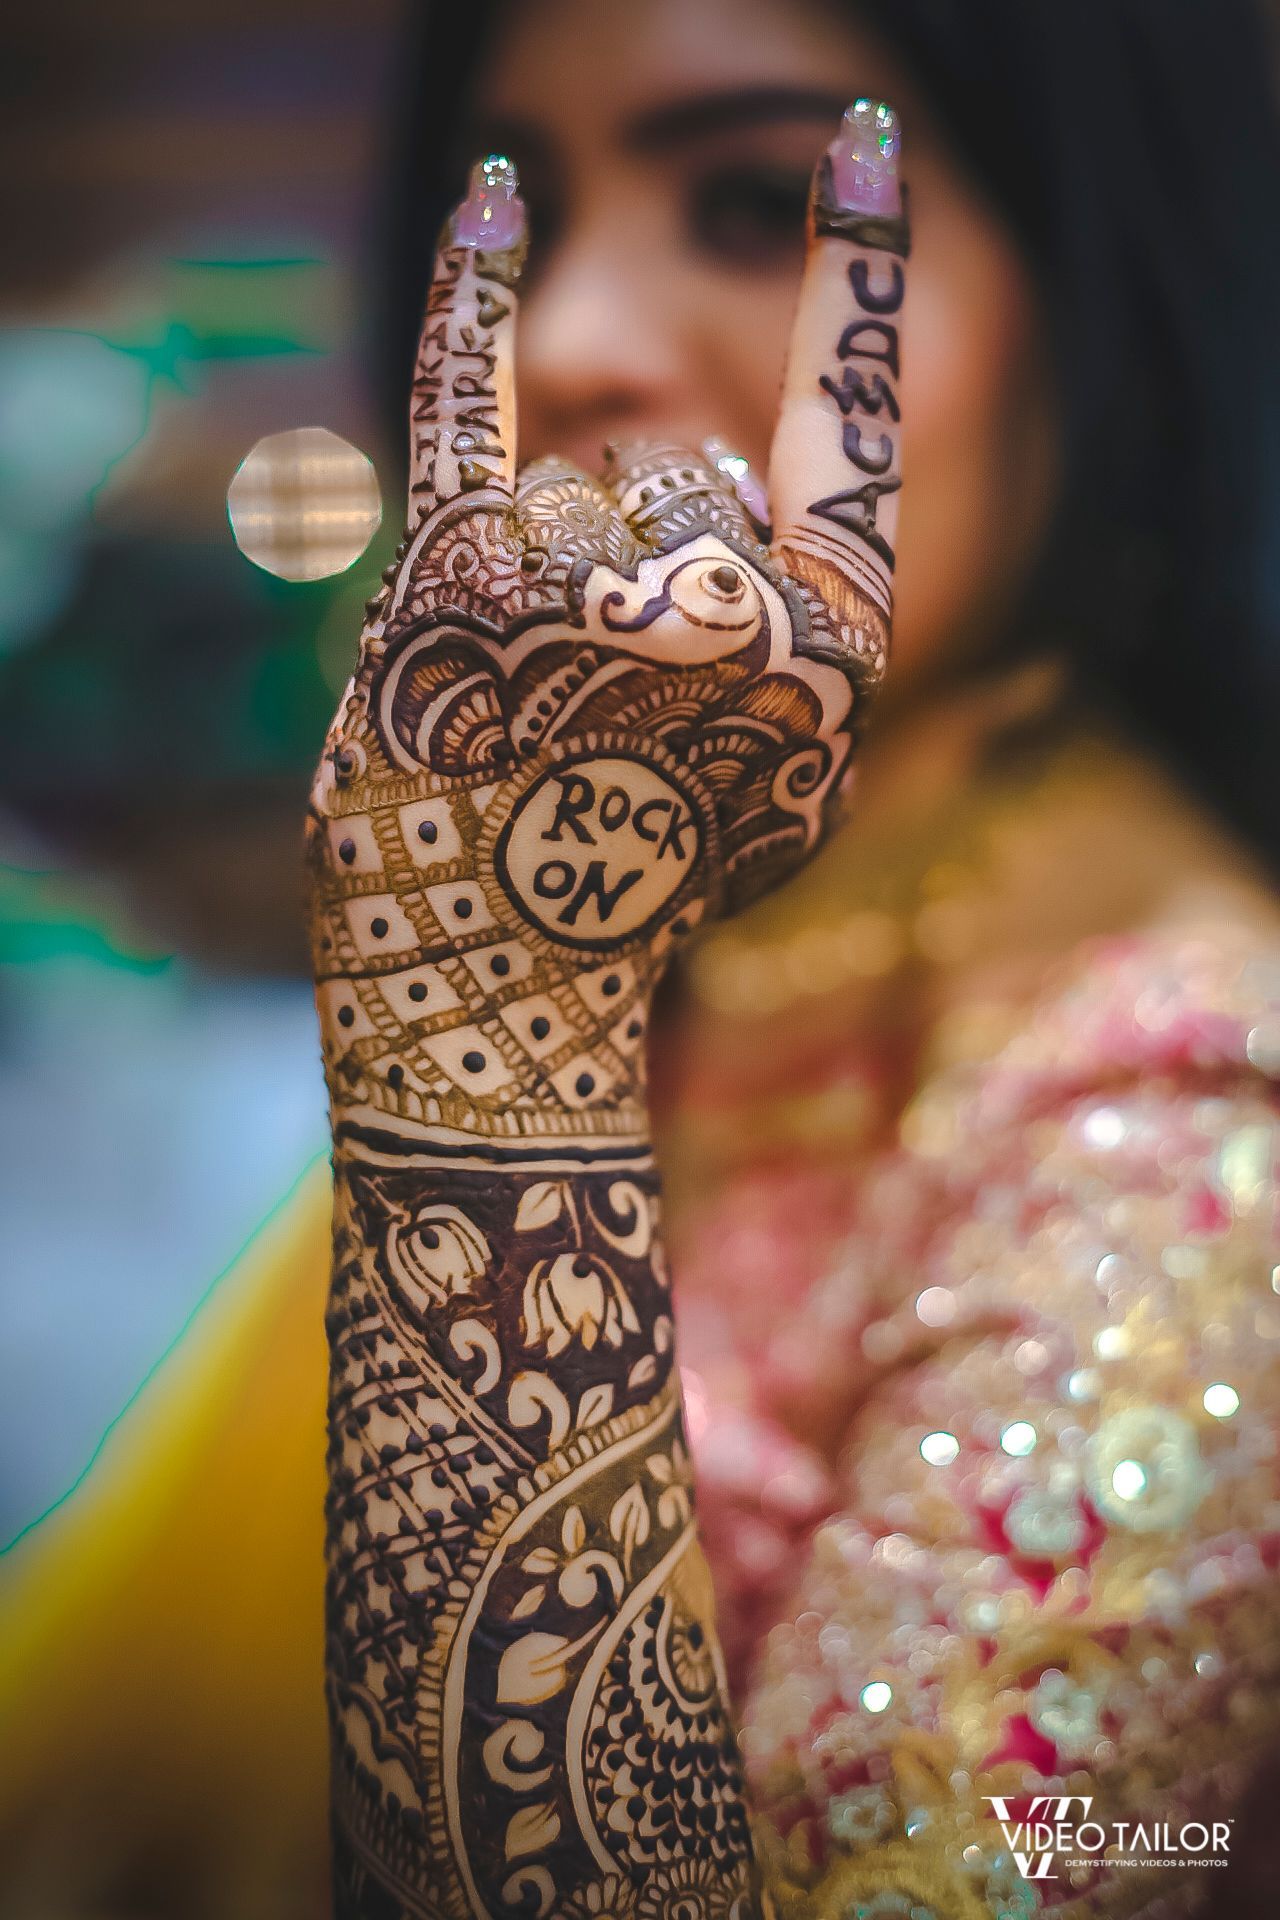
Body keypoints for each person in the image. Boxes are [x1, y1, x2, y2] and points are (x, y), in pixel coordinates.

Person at [2, 1, 1279, 1916]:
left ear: (1100, 305)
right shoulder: (698, 954)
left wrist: (491, 1053)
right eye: (506, 226)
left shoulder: (1178, 1123)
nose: (572, 344)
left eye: (772, 204)